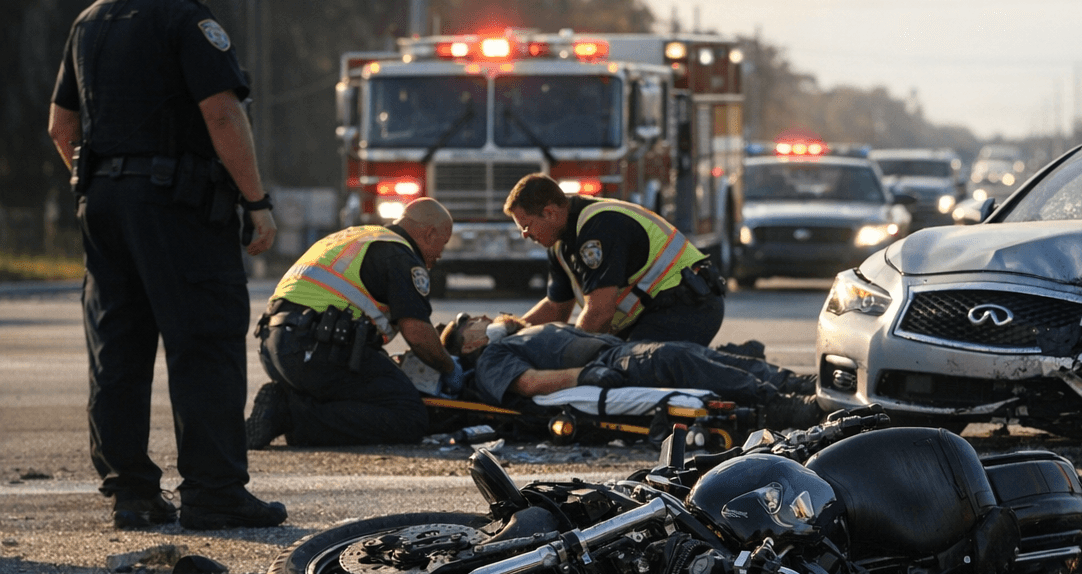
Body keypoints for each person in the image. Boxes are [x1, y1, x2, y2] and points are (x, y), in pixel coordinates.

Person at [47, 0, 285, 531]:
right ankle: (214, 494)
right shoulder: (189, 20)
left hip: (101, 205)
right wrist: (255, 201)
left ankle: (132, 494)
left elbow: (61, 127)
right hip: (177, 207)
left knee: (118, 348)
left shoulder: (91, 19)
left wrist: (103, 180)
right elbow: (223, 115)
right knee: (204, 343)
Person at [246, 198, 461, 448]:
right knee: (408, 416)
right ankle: (291, 415)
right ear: (430, 232)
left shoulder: (354, 236)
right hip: (315, 351)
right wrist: (449, 367)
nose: (440, 254)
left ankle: (290, 405)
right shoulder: (400, 255)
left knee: (373, 389)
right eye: (442, 244)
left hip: (275, 348)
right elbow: (417, 334)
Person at [439, 314, 823, 429]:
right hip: (611, 365)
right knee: (681, 359)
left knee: (699, 356)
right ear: (469, 344)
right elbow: (528, 383)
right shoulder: (490, 358)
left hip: (619, 352)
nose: (480, 316)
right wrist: (584, 376)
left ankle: (803, 384)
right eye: (469, 321)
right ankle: (791, 405)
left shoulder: (514, 335)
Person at [504, 174, 726, 345]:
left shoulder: (598, 228)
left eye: (526, 226)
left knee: (633, 370)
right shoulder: (559, 244)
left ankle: (743, 372)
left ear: (550, 213)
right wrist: (509, 334)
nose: (525, 235)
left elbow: (600, 313)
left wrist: (568, 354)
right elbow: (555, 308)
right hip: (658, 310)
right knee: (621, 365)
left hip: (689, 304)